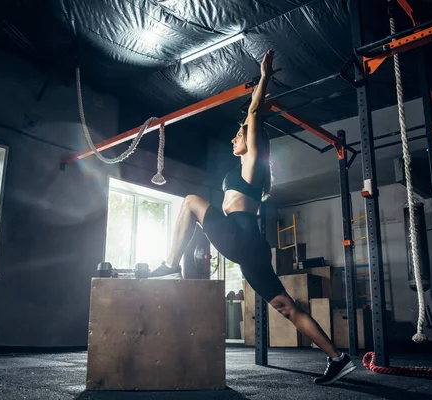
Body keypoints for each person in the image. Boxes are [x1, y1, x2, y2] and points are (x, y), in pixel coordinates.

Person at [148, 49, 356, 385]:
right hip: (250, 247)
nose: (234, 139)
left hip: (241, 237)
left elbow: (255, 112)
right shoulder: (246, 170)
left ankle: (171, 263)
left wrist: (263, 77)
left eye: (238, 135)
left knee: (189, 202)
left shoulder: (253, 162)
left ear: (252, 139)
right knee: (287, 308)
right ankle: (338, 357)